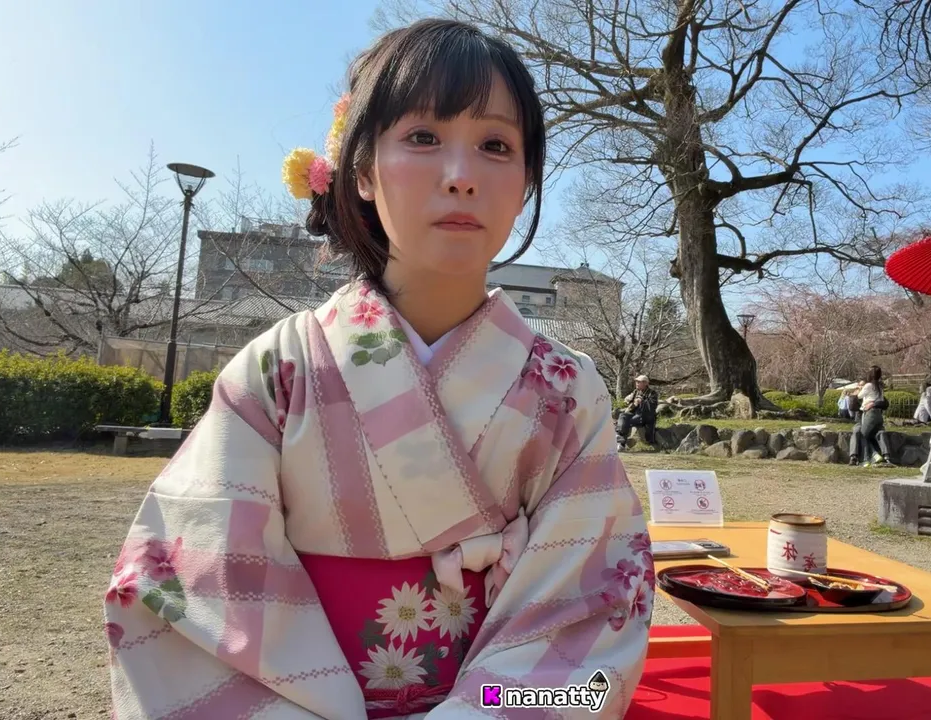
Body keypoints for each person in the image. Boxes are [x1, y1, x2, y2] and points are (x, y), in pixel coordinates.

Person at [102, 20, 650, 719]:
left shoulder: (568, 390)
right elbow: (196, 584)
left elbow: (587, 612)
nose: (461, 176)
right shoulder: (278, 371)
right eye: (422, 137)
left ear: (525, 183)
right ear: (360, 170)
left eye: (496, 146)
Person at [858, 365, 893, 467]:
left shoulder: (868, 385)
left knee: (863, 435)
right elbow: (881, 400)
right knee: (871, 435)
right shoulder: (880, 386)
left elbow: (859, 396)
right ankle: (876, 455)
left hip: (870, 413)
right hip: (878, 414)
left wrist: (860, 388)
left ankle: (866, 459)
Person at [616, 374, 659, 448]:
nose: (637, 383)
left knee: (626, 422)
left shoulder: (652, 393)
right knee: (623, 416)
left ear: (645, 383)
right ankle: (620, 437)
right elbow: (628, 401)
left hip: (646, 417)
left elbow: (652, 407)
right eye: (636, 382)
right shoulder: (636, 391)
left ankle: (621, 443)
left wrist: (641, 401)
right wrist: (629, 401)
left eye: (639, 382)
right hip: (635, 414)